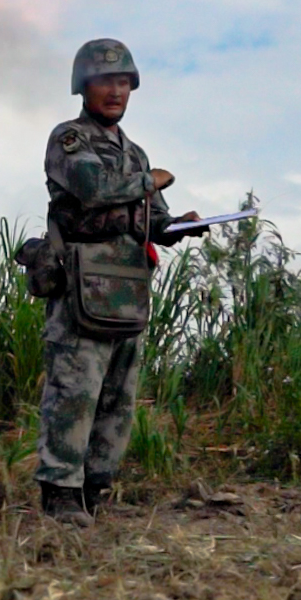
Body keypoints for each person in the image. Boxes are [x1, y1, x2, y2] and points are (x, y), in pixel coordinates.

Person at [34, 39, 204, 526]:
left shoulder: (135, 152)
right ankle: (60, 495)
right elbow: (92, 191)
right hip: (81, 288)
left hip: (128, 292)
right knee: (74, 391)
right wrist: (149, 181)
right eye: (105, 80)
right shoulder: (70, 138)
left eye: (124, 81)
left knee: (117, 398)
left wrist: (178, 226)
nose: (116, 90)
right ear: (83, 87)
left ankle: (95, 488)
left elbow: (154, 221)